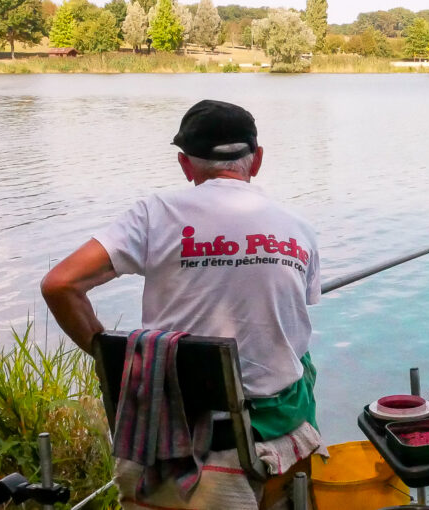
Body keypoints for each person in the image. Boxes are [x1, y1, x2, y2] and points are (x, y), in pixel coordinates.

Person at [40, 100, 322, 509]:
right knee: (303, 363)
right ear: (256, 160)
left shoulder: (154, 214)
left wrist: (114, 359)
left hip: (169, 414)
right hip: (255, 427)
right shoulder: (298, 225)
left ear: (186, 165)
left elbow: (59, 284)